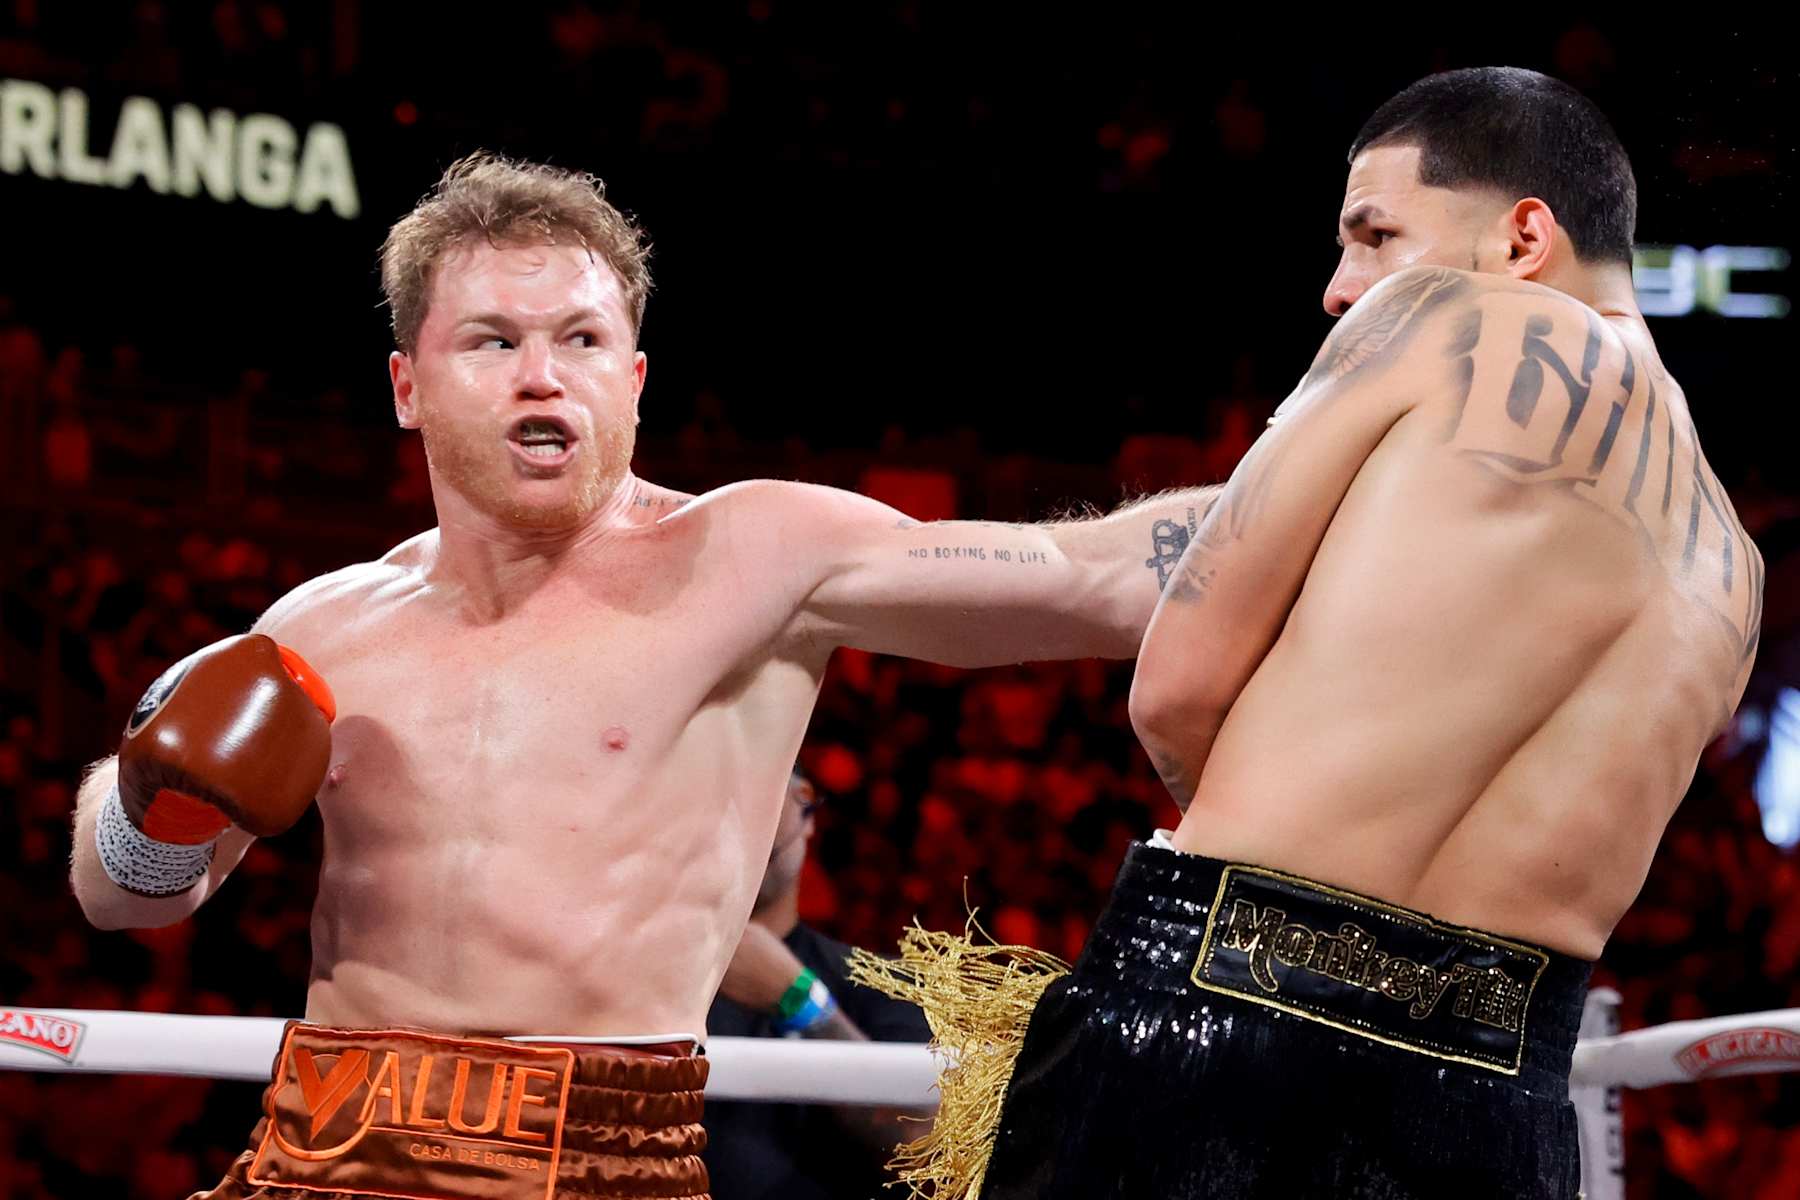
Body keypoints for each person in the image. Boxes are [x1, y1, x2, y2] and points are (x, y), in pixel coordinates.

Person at [65, 152, 1218, 1200]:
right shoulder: (318, 628)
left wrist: (1363, 441)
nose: (542, 378)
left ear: (634, 376)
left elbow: (1091, 577)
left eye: (581, 340)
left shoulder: (756, 559)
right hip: (324, 1148)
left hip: (600, 1158)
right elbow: (128, 900)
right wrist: (140, 806)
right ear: (408, 385)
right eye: (492, 341)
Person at [861, 67, 1764, 1199]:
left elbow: (1174, 687)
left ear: (1524, 235)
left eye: (1375, 233)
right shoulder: (1737, 564)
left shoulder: (1445, 316)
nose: (1344, 287)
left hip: (1218, 1012)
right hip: (1500, 1092)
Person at [704, 769, 934, 1200]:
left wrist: (802, 1003)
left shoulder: (882, 981)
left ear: (807, 809)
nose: (743, 824)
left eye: (762, 796)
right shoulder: (633, 978)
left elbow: (923, 1147)